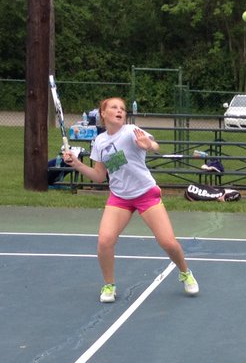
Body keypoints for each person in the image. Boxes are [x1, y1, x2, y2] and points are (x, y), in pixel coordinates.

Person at [61, 96, 198, 303]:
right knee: (105, 241)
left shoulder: (131, 131)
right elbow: (99, 176)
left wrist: (148, 145)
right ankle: (109, 285)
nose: (119, 111)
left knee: (168, 242)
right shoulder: (99, 141)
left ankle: (185, 272)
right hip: (120, 198)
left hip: (145, 193)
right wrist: (77, 165)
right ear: (103, 114)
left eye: (122, 109)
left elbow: (156, 145)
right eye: (114, 107)